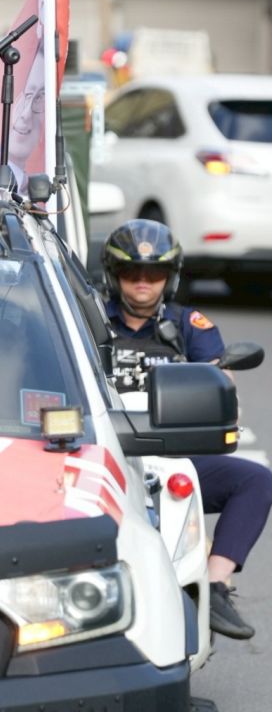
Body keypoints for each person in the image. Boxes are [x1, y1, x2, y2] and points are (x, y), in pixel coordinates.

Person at [101, 218, 272, 640]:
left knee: (256, 481)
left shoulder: (189, 325)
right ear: (114, 275)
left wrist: (216, 391)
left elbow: (222, 385)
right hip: (105, 451)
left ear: (170, 278)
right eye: (132, 272)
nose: (143, 282)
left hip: (174, 453)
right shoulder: (87, 320)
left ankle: (214, 584)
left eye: (154, 273)